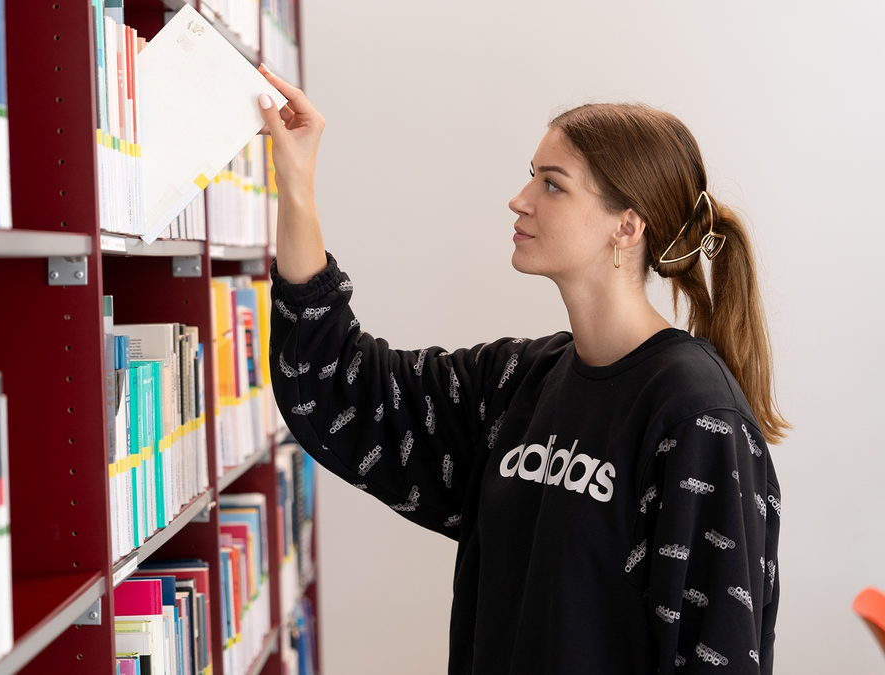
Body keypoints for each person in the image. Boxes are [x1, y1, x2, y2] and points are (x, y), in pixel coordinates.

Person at [255, 65, 786, 675]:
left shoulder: (695, 416)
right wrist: (296, 184)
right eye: (531, 175)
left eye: (553, 185)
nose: (520, 198)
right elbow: (337, 387)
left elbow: (716, 649)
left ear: (627, 225)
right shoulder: (516, 383)